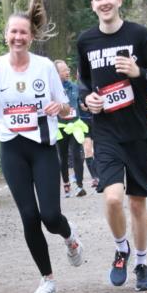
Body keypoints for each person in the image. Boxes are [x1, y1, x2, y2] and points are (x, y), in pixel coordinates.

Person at [0, 0, 84, 293]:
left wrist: (60, 108)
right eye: (13, 32)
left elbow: (69, 110)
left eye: (23, 32)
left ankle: (70, 239)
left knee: (50, 215)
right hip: (12, 150)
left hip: (43, 147)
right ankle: (47, 279)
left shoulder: (44, 67)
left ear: (31, 36)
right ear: (6, 36)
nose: (18, 37)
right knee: (29, 217)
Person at [77, 0, 147, 292]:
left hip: (139, 132)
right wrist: (85, 100)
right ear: (93, 5)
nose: (104, 2)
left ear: (119, 0)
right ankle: (121, 248)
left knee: (138, 205)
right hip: (106, 134)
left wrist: (138, 72)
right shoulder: (86, 41)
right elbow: (84, 83)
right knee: (113, 199)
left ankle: (141, 264)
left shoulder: (139, 35)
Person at [54, 60, 87, 197]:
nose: (67, 72)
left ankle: (79, 186)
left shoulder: (75, 87)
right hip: (60, 126)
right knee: (63, 156)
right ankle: (66, 184)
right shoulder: (52, 89)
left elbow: (79, 101)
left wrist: (83, 105)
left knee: (77, 154)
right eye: (64, 70)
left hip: (75, 125)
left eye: (67, 70)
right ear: (56, 73)